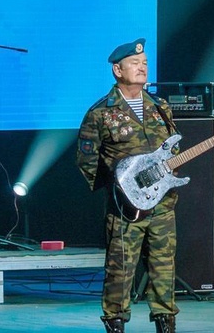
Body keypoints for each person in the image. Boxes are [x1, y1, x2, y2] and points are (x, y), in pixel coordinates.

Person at [75, 39, 178, 333]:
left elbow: (170, 150)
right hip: (126, 210)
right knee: (120, 269)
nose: (142, 66)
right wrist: (120, 192)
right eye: (135, 63)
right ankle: (116, 323)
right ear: (118, 70)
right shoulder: (101, 113)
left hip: (162, 204)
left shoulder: (161, 107)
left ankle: (166, 322)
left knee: (164, 267)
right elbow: (86, 160)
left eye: (145, 62)